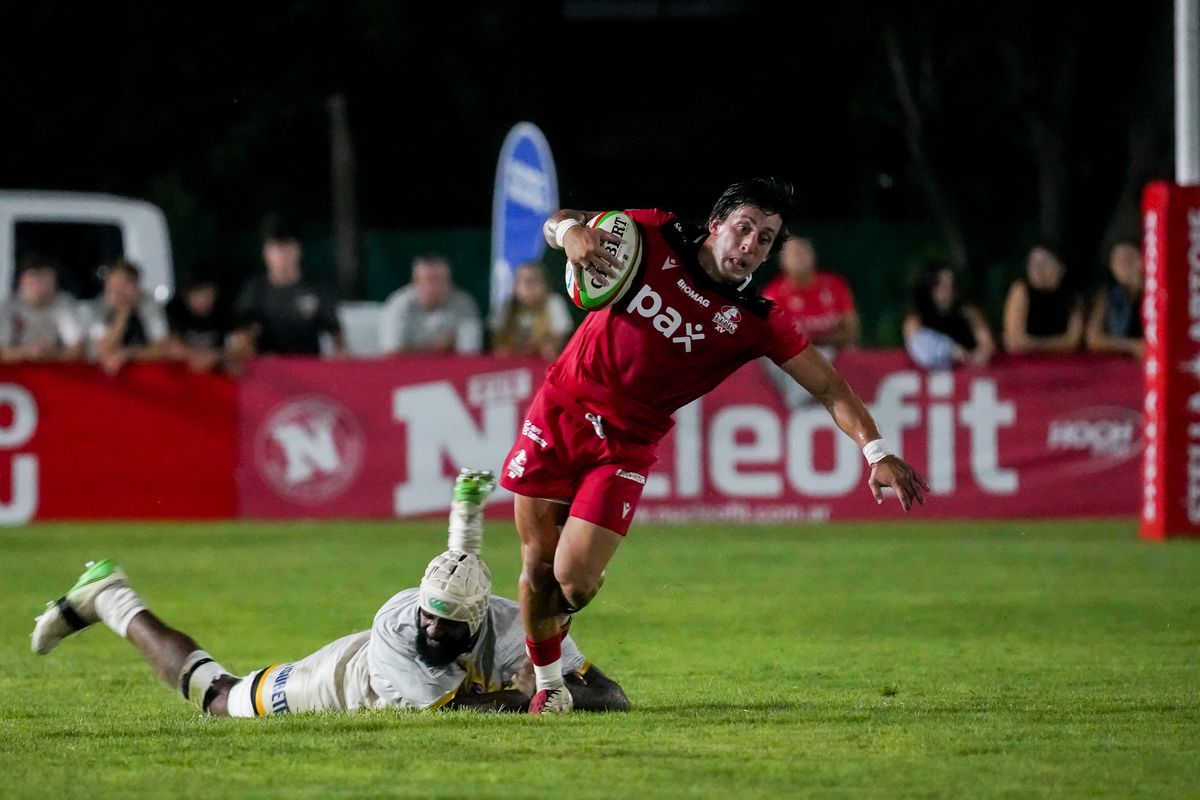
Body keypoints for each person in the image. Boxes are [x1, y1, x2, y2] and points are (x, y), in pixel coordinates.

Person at [501, 177, 929, 715]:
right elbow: (560, 219)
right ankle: (548, 685)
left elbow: (830, 387)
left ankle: (548, 649)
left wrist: (876, 450)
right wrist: (569, 233)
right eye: (744, 228)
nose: (749, 244)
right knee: (539, 563)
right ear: (716, 223)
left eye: (765, 239)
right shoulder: (655, 233)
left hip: (627, 444)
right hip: (561, 410)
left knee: (576, 582)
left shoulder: (758, 319)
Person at [30, 470, 629, 716]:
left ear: (478, 624)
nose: (429, 628)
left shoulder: (512, 623)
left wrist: (559, 690)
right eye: (428, 615)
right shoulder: (399, 626)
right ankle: (110, 597)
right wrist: (538, 697)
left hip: (440, 648)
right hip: (342, 681)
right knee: (219, 699)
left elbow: (613, 697)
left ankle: (107, 597)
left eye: (445, 625)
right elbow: (460, 714)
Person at [231, 223, 346, 358]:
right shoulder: (255, 288)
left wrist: (340, 349)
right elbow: (243, 329)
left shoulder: (316, 287)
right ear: (265, 253)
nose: (282, 255)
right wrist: (246, 344)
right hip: (267, 364)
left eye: (287, 248)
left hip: (307, 364)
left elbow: (335, 331)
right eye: (276, 249)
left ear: (298, 250)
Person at [762, 237, 860, 350]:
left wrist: (820, 340)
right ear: (783, 261)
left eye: (803, 252)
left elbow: (851, 331)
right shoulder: (773, 295)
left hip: (835, 351)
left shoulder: (834, 285)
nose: (799, 259)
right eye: (794, 254)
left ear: (813, 256)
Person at [378, 253, 483, 355]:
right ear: (415, 282)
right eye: (428, 280)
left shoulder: (464, 304)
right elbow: (391, 353)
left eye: (439, 280)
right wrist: (440, 348)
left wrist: (414, 349)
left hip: (451, 366)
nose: (433, 287)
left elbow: (470, 351)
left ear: (450, 281)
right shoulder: (398, 305)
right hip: (408, 367)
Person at [901, 260, 995, 370]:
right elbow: (918, 348)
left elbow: (987, 345)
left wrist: (974, 357)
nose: (949, 291)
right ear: (929, 288)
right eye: (942, 286)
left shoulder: (968, 312)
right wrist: (951, 352)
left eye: (952, 285)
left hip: (970, 373)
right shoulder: (916, 319)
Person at [86, 257, 169, 375]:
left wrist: (129, 354)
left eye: (123, 283)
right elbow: (103, 350)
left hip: (145, 374)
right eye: (113, 284)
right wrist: (123, 313)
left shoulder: (147, 306)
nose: (117, 291)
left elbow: (162, 346)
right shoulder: (98, 308)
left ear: (136, 285)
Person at [0, 253, 85, 362]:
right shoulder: (9, 306)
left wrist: (50, 353)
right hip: (17, 368)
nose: (39, 286)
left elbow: (77, 349)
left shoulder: (63, 303)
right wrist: (27, 352)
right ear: (21, 281)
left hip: (53, 366)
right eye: (33, 280)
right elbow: (2, 352)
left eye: (45, 280)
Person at [1001, 244, 1084, 355]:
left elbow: (1072, 341)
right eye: (1032, 263)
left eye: (1045, 262)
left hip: (1061, 360)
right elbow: (1014, 340)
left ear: (1061, 267)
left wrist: (1033, 344)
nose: (1037, 269)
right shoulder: (1020, 290)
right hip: (1025, 360)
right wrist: (1055, 344)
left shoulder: (1072, 295)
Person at [490, 260, 574, 358]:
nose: (527, 287)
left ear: (545, 283)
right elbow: (498, 342)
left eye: (532, 281)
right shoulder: (507, 307)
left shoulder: (554, 303)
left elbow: (559, 339)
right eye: (521, 281)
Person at [165, 267, 233, 373]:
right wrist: (198, 356)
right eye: (197, 295)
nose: (203, 300)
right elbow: (172, 347)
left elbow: (241, 347)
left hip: (218, 372)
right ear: (186, 295)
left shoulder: (225, 312)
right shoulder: (174, 310)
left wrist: (215, 356)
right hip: (183, 372)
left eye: (208, 295)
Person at [1085, 240, 1144, 359]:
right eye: (1117, 261)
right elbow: (1093, 338)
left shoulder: (1157, 290)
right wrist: (1132, 346)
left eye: (1129, 258)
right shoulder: (1107, 292)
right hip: (1120, 362)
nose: (1123, 265)